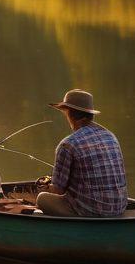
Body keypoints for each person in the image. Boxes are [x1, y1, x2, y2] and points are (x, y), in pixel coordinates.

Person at [36, 89, 127, 217]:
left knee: (42, 198)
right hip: (119, 207)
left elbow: (58, 190)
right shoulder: (111, 136)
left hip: (91, 210)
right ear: (90, 114)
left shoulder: (67, 144)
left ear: (69, 114)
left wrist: (43, 187)